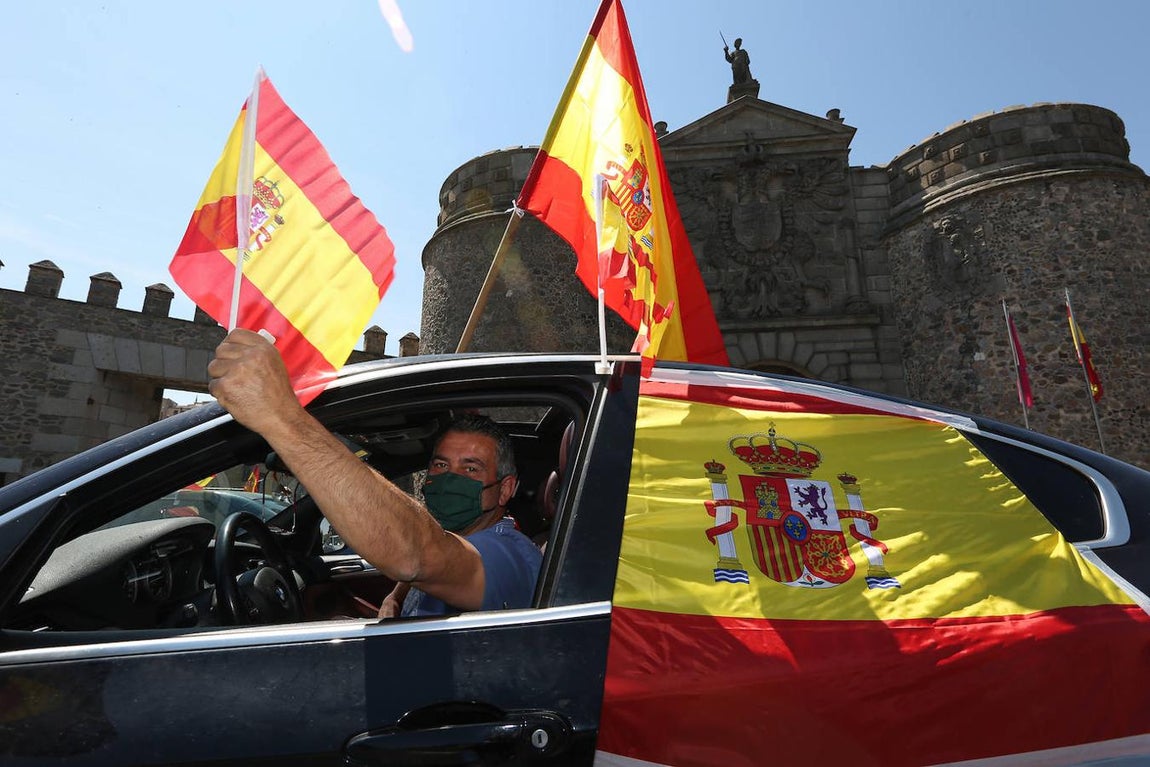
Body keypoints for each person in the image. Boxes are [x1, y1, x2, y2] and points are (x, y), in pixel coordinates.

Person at [207, 328, 542, 618]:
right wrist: (397, 597)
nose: (450, 477)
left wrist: (280, 414)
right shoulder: (465, 538)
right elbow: (436, 558)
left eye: (471, 468)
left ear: (504, 489)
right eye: (441, 465)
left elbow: (420, 554)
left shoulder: (510, 555)